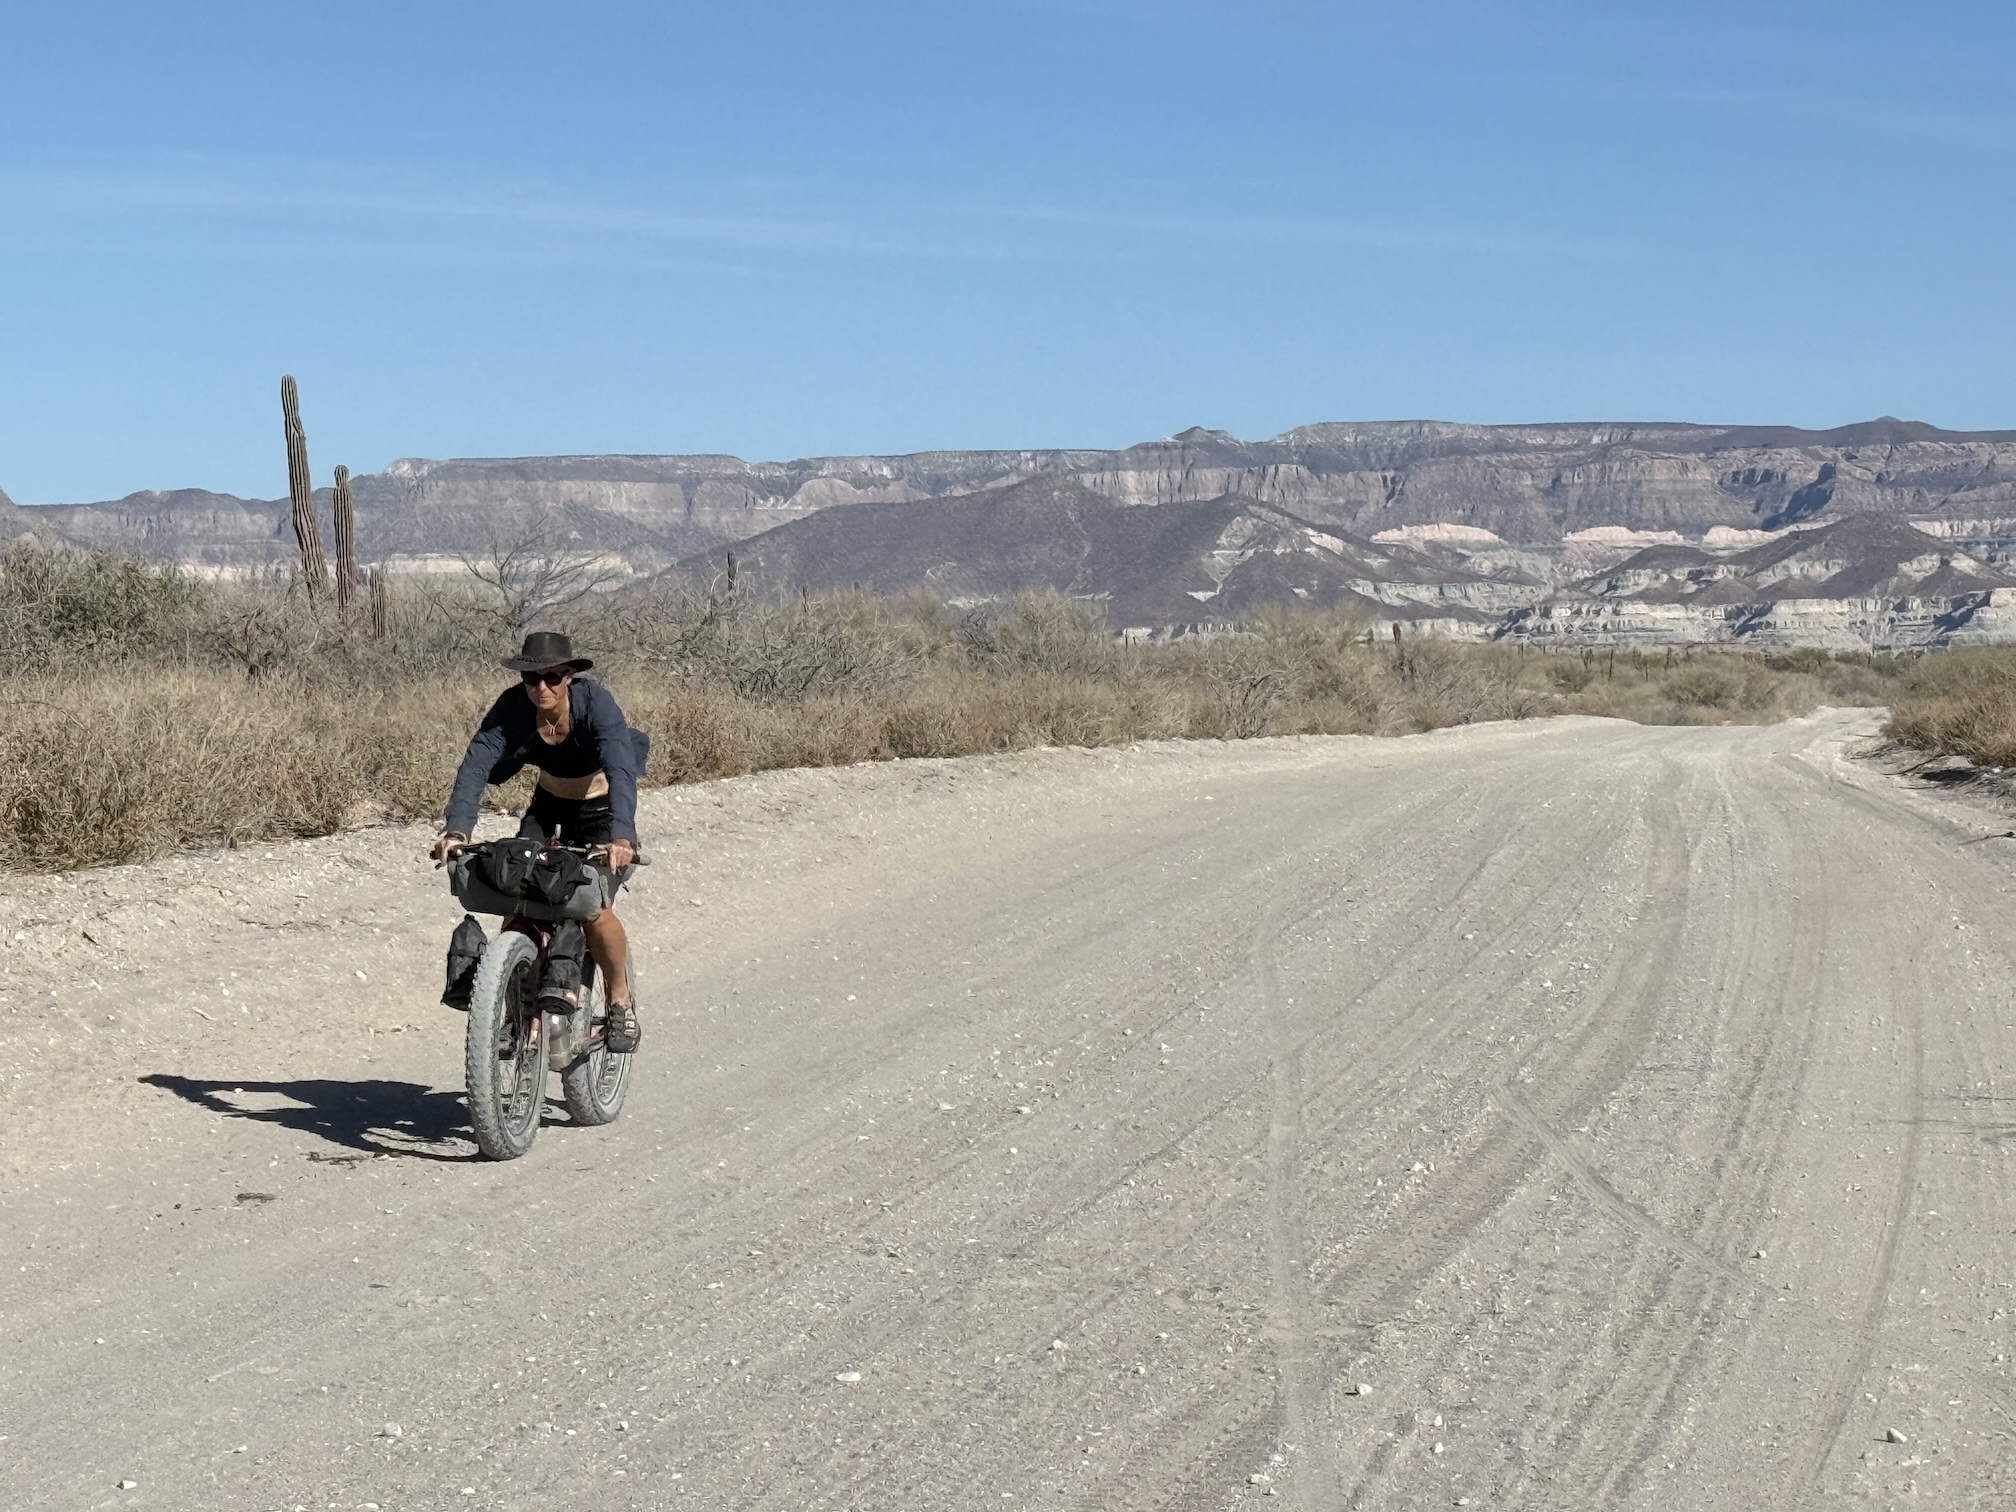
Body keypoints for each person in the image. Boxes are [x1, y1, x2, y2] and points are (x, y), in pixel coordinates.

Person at [431, 630, 645, 1052]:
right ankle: (514, 1005)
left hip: (601, 814)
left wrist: (622, 836)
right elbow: (476, 764)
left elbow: (621, 768)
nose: (541, 687)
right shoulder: (513, 706)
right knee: (519, 891)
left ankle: (620, 1001)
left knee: (592, 908)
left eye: (552, 677)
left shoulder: (595, 705)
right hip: (547, 807)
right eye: (531, 679)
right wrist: (457, 831)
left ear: (569, 677)